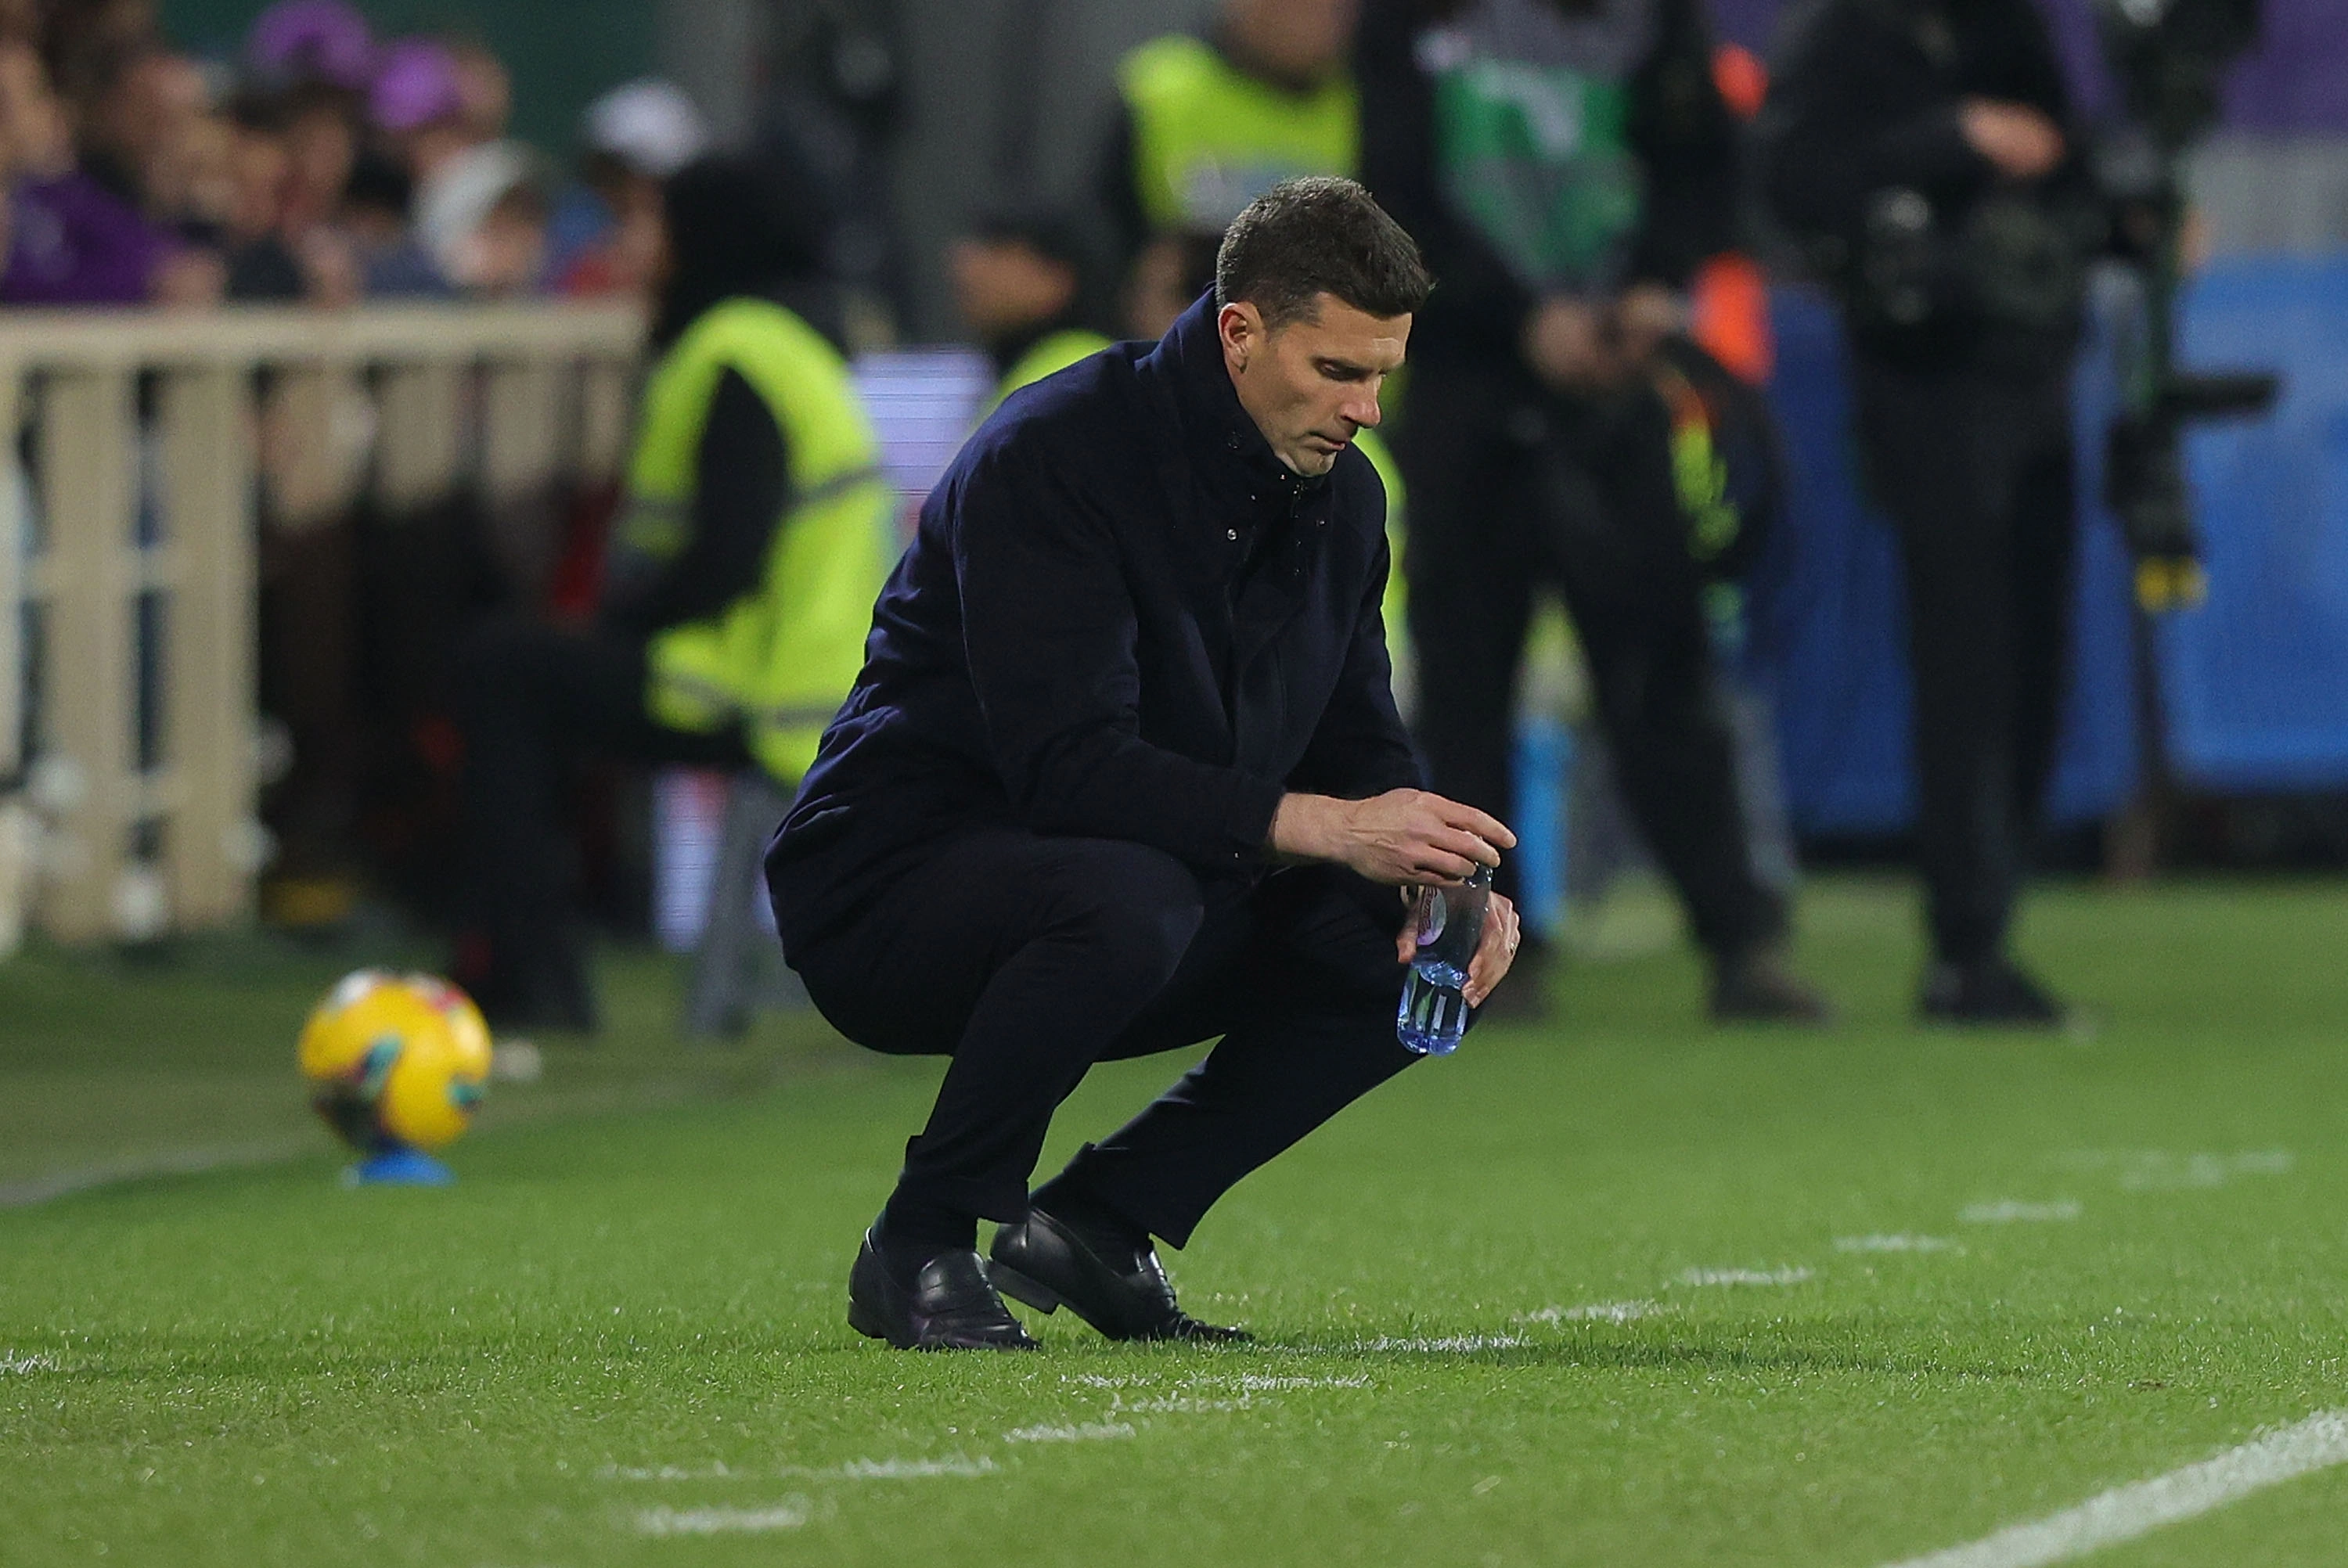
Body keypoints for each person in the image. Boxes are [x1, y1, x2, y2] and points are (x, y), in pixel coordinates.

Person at [767, 177, 1524, 1353]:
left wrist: (1434, 877)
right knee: (1129, 893)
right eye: (1337, 372)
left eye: (1384, 375)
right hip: (888, 887)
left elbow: (1354, 730)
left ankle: (1102, 1222)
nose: (1368, 410)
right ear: (1240, 331)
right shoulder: (1057, 456)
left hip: (1133, 879)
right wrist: (1326, 827)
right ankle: (916, 1242)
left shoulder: (1344, 498)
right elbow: (1065, 768)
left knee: (1412, 956)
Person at [1357, 0, 1827, 1023]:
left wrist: (1657, 287)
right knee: (1471, 683)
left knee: (1663, 666)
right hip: (1468, 386)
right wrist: (1521, 319)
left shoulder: (1654, 19)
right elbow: (1392, 196)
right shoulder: (1409, 18)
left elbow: (1704, 162)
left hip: (1618, 384)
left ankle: (1742, 943)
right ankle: (1477, 963)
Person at [448, 153, 895, 1030]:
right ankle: (529, 959)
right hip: (823, 681)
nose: (634, 246)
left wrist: (615, 622)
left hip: (757, 688)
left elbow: (726, 557)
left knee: (496, 670)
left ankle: (530, 977)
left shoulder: (732, 351)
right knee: (529, 671)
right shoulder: (797, 345)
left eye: (652, 226)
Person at [1758, 0, 2087, 1025]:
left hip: (2030, 370)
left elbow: (2069, 155)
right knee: (1966, 661)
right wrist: (1953, 141)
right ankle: (1965, 941)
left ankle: (1994, 917)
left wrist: (2125, 212)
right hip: (1924, 381)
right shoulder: (1844, 39)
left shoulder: (2008, 31)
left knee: (2035, 660)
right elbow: (1792, 184)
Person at [947, 206, 1112, 412]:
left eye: (1000, 249)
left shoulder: (1079, 371)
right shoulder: (1025, 374)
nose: (968, 264)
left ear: (1057, 277)